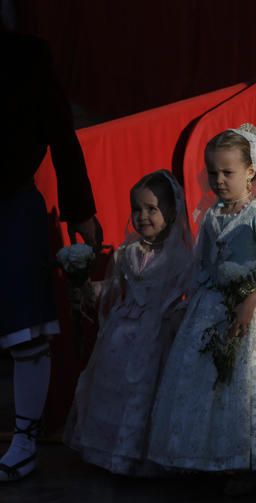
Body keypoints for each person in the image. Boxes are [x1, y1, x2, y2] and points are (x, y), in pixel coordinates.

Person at [147, 125, 256, 491]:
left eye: (228, 172)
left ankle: (243, 461)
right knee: (207, 380)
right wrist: (193, 303)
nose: (219, 180)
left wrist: (248, 302)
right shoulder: (212, 215)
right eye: (213, 172)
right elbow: (206, 267)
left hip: (252, 306)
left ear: (250, 172)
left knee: (243, 382)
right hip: (213, 305)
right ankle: (201, 456)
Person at [0, 29, 102, 482]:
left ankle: (25, 439)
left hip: (11, 202)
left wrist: (80, 209)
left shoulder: (23, 54)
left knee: (25, 328)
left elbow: (60, 132)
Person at [64, 171, 191, 475]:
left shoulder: (181, 256)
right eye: (137, 209)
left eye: (152, 209)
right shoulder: (126, 253)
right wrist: (85, 288)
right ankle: (109, 450)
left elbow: (189, 294)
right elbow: (110, 291)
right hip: (121, 335)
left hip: (157, 334)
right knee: (113, 389)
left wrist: (175, 315)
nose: (143, 216)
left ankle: (138, 453)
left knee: (145, 391)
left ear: (171, 212)